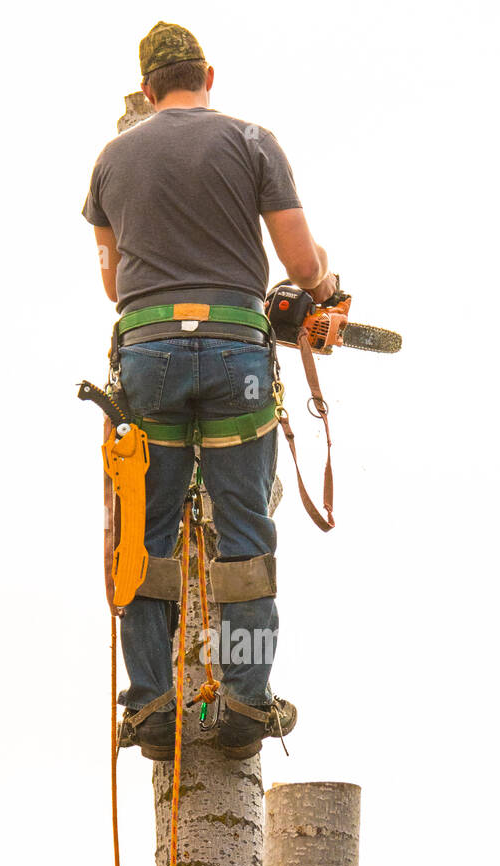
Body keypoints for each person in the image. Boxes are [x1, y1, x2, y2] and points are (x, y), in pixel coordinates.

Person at [82, 21, 336, 760]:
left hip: (150, 352)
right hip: (237, 356)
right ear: (209, 77)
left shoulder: (110, 162)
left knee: (147, 537)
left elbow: (112, 283)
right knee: (246, 535)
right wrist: (321, 278)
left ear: (148, 89)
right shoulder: (254, 142)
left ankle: (154, 707)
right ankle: (247, 707)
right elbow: (299, 262)